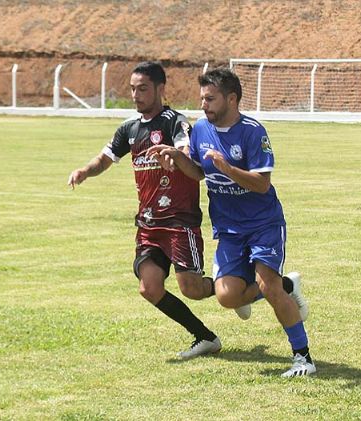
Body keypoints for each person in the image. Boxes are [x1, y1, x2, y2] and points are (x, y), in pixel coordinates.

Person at [146, 68, 314, 377]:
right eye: (202, 99)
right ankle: (288, 284)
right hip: (228, 228)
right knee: (226, 296)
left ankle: (303, 357)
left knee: (268, 286)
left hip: (263, 223)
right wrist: (175, 156)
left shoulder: (252, 131)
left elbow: (262, 184)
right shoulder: (200, 130)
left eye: (210, 99)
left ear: (231, 99)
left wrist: (226, 167)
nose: (204, 105)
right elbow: (198, 172)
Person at [68, 62, 221, 360]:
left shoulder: (174, 122)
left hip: (179, 221)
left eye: (143, 89)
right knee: (149, 287)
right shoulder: (129, 128)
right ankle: (205, 337)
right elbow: (105, 158)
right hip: (150, 225)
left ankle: (240, 288)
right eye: (133, 89)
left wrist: (174, 156)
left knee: (192, 288)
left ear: (161, 89)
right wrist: (85, 171)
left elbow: (187, 152)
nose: (136, 95)